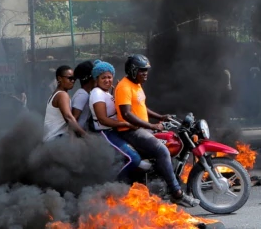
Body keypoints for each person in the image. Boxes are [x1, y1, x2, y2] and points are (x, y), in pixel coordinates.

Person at [115, 54, 199, 208]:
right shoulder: (124, 87)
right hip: (130, 131)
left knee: (169, 142)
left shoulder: (136, 85)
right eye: (142, 70)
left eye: (146, 70)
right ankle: (176, 193)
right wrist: (152, 126)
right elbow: (127, 114)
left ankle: (164, 183)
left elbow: (141, 106)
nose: (145, 73)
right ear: (133, 70)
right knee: (162, 151)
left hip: (141, 128)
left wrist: (160, 116)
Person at [88, 60, 144, 184]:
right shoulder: (97, 93)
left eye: (109, 77)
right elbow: (103, 119)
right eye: (103, 78)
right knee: (133, 158)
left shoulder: (106, 93)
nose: (107, 80)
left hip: (114, 131)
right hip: (106, 133)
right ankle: (114, 185)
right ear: (96, 79)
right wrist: (125, 124)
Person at [43, 65, 87, 142]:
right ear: (59, 78)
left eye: (74, 78)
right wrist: (86, 136)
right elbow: (69, 118)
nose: (73, 81)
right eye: (70, 78)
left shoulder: (57, 93)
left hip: (52, 139)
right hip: (56, 139)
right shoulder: (62, 95)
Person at [71, 60, 96, 132]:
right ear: (91, 77)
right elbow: (73, 119)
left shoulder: (87, 93)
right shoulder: (82, 95)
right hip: (78, 134)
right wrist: (72, 140)